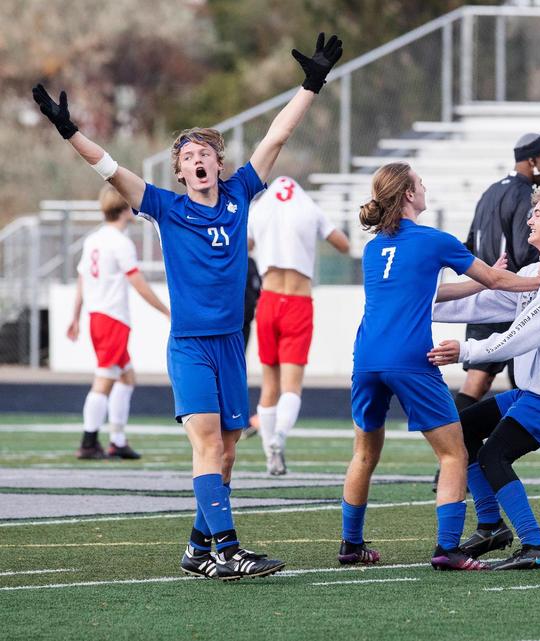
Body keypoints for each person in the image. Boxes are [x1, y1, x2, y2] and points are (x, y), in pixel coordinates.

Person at [33, 31, 344, 581]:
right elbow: (107, 167)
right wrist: (68, 129)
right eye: (187, 156)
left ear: (218, 164)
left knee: (226, 453)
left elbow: (278, 135)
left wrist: (312, 83)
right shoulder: (166, 208)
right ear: (179, 172)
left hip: (230, 344)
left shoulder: (241, 192)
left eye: (204, 153)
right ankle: (227, 550)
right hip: (191, 346)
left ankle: (197, 550)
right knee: (205, 443)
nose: (195, 159)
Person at [341, 162, 540, 571]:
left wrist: (486, 278)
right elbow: (497, 282)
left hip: (365, 358)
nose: (425, 186)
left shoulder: (374, 247)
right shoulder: (434, 240)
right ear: (408, 196)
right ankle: (448, 548)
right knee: (454, 453)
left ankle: (351, 544)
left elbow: (429, 290)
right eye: (420, 182)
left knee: (364, 453)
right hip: (409, 359)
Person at [428, 188, 540, 570]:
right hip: (535, 391)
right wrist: (419, 305)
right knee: (462, 428)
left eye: (538, 212)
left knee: (493, 455)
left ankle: (536, 546)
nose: (529, 218)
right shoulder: (536, 273)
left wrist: (467, 351)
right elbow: (482, 302)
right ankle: (491, 526)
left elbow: (524, 333)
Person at [430, 134, 540, 493]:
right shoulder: (523, 195)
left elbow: (468, 245)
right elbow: (523, 250)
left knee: (477, 382)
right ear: (532, 161)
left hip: (484, 290)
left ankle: (451, 459)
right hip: (510, 295)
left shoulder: (489, 191)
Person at [248, 176, 351, 475]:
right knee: (291, 385)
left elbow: (245, 245)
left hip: (268, 300)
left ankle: (270, 454)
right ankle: (280, 435)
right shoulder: (308, 206)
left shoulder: (260, 208)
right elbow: (343, 245)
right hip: (297, 301)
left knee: (269, 384)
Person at [68, 185, 170, 460]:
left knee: (127, 377)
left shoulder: (94, 239)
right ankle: (89, 441)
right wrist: (166, 310)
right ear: (125, 208)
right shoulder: (120, 242)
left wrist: (75, 316)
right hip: (112, 318)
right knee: (104, 380)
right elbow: (137, 282)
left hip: (98, 316)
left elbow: (82, 278)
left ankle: (117, 440)